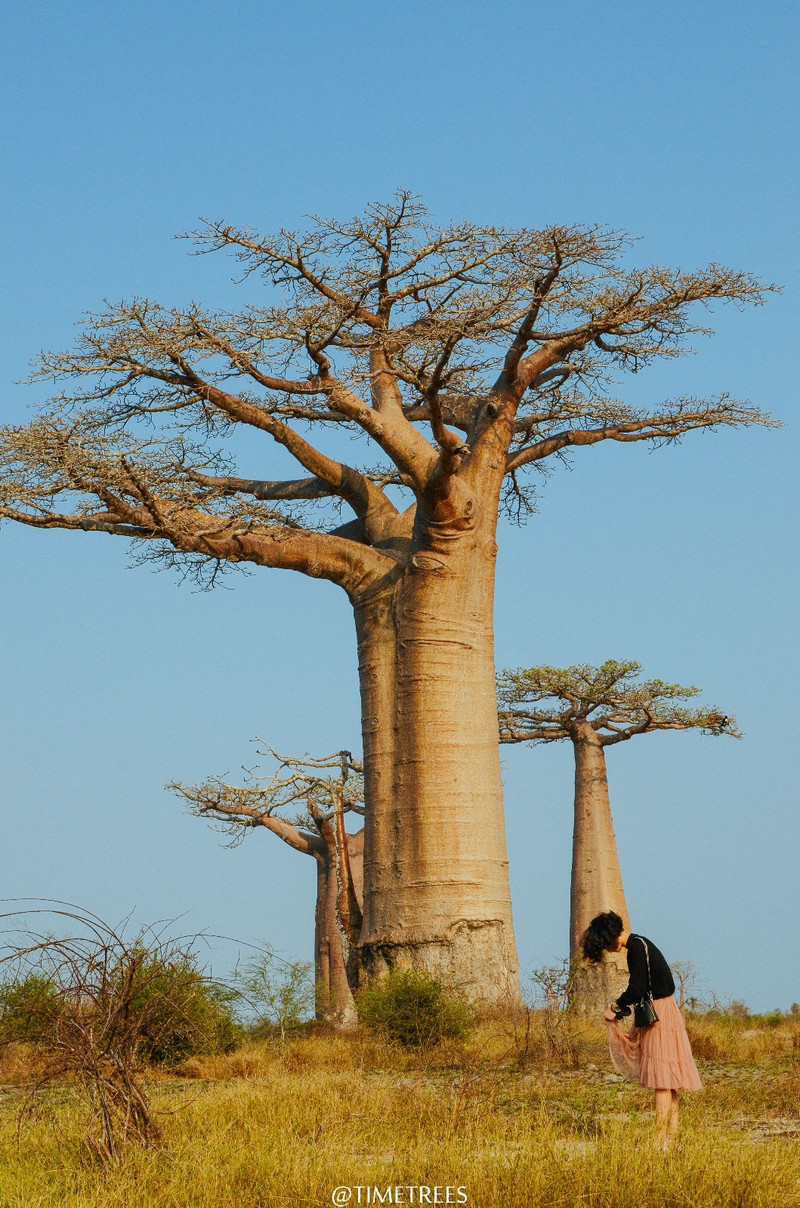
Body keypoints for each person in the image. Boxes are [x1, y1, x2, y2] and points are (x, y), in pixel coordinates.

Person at [581, 911, 702, 1145]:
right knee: (669, 1082)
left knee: (661, 1080)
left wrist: (615, 1007)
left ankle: (658, 1139)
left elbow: (636, 989)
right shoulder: (642, 943)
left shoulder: (636, 948)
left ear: (609, 937)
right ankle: (671, 1138)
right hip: (667, 1010)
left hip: (659, 1015)